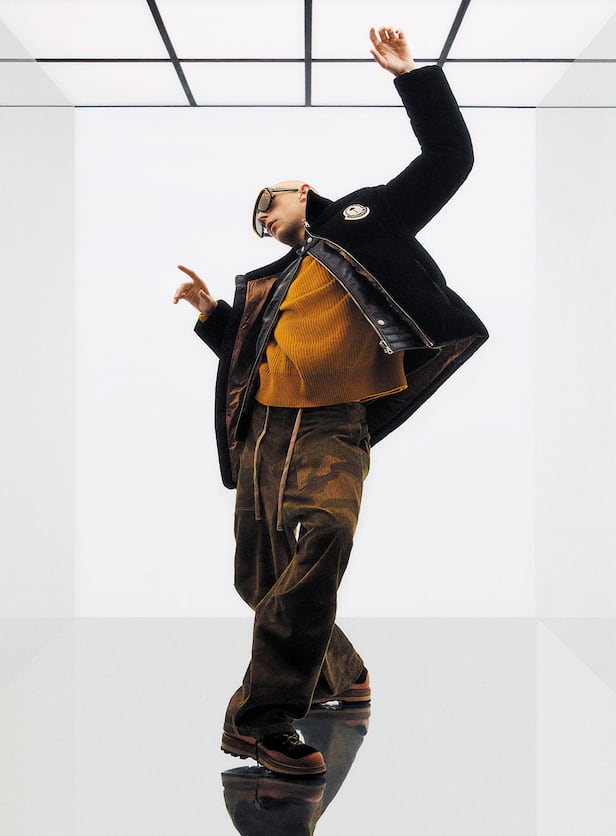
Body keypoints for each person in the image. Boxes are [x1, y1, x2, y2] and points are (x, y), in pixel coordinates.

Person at [173, 26, 488, 777]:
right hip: (264, 432)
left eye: (268, 202)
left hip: (334, 428)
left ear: (302, 189)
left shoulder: (365, 219)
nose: (263, 218)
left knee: (326, 539)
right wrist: (215, 316)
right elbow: (255, 361)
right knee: (259, 578)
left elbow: (450, 159)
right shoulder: (273, 283)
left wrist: (412, 76)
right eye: (256, 220)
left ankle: (261, 720)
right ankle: (343, 672)